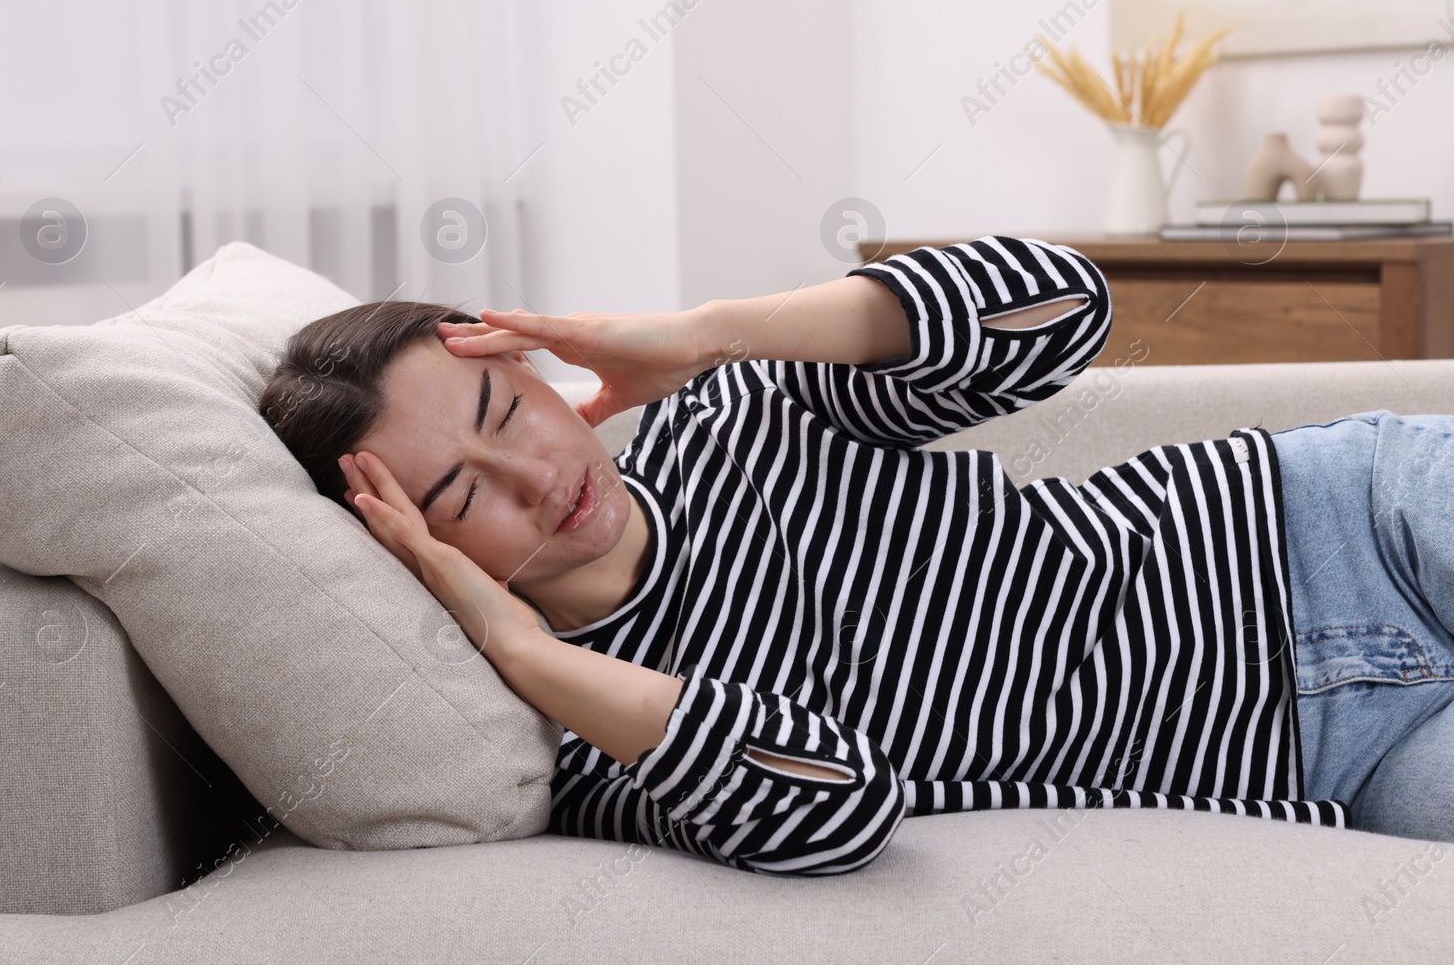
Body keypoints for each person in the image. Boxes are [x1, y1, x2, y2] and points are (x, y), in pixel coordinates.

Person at [260, 236, 1453, 877]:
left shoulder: (736, 415)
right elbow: (843, 811)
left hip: (1334, 519)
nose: (537, 477)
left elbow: (1057, 308)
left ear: (535, 367)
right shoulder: (598, 740)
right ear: (410, 549)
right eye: (463, 492)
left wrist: (707, 333)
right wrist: (523, 650)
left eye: (504, 409)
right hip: (1342, 754)